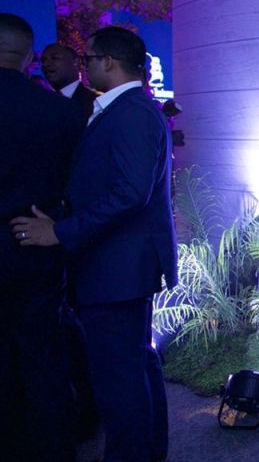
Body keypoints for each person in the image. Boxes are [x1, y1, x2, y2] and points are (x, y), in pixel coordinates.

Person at [11, 26, 178, 462]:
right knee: (133, 369)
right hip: (119, 265)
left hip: (117, 269)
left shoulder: (132, 113)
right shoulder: (127, 109)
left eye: (87, 60)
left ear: (107, 62)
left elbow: (130, 193)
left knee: (118, 380)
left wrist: (60, 232)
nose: (83, 68)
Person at [0, 13, 81, 461]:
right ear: (30, 56)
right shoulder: (59, 112)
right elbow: (80, 186)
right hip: (36, 246)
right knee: (43, 357)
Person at [40, 42, 99, 122]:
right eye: (43, 60)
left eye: (55, 58)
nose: (46, 64)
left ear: (75, 62)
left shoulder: (94, 102)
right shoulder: (41, 102)